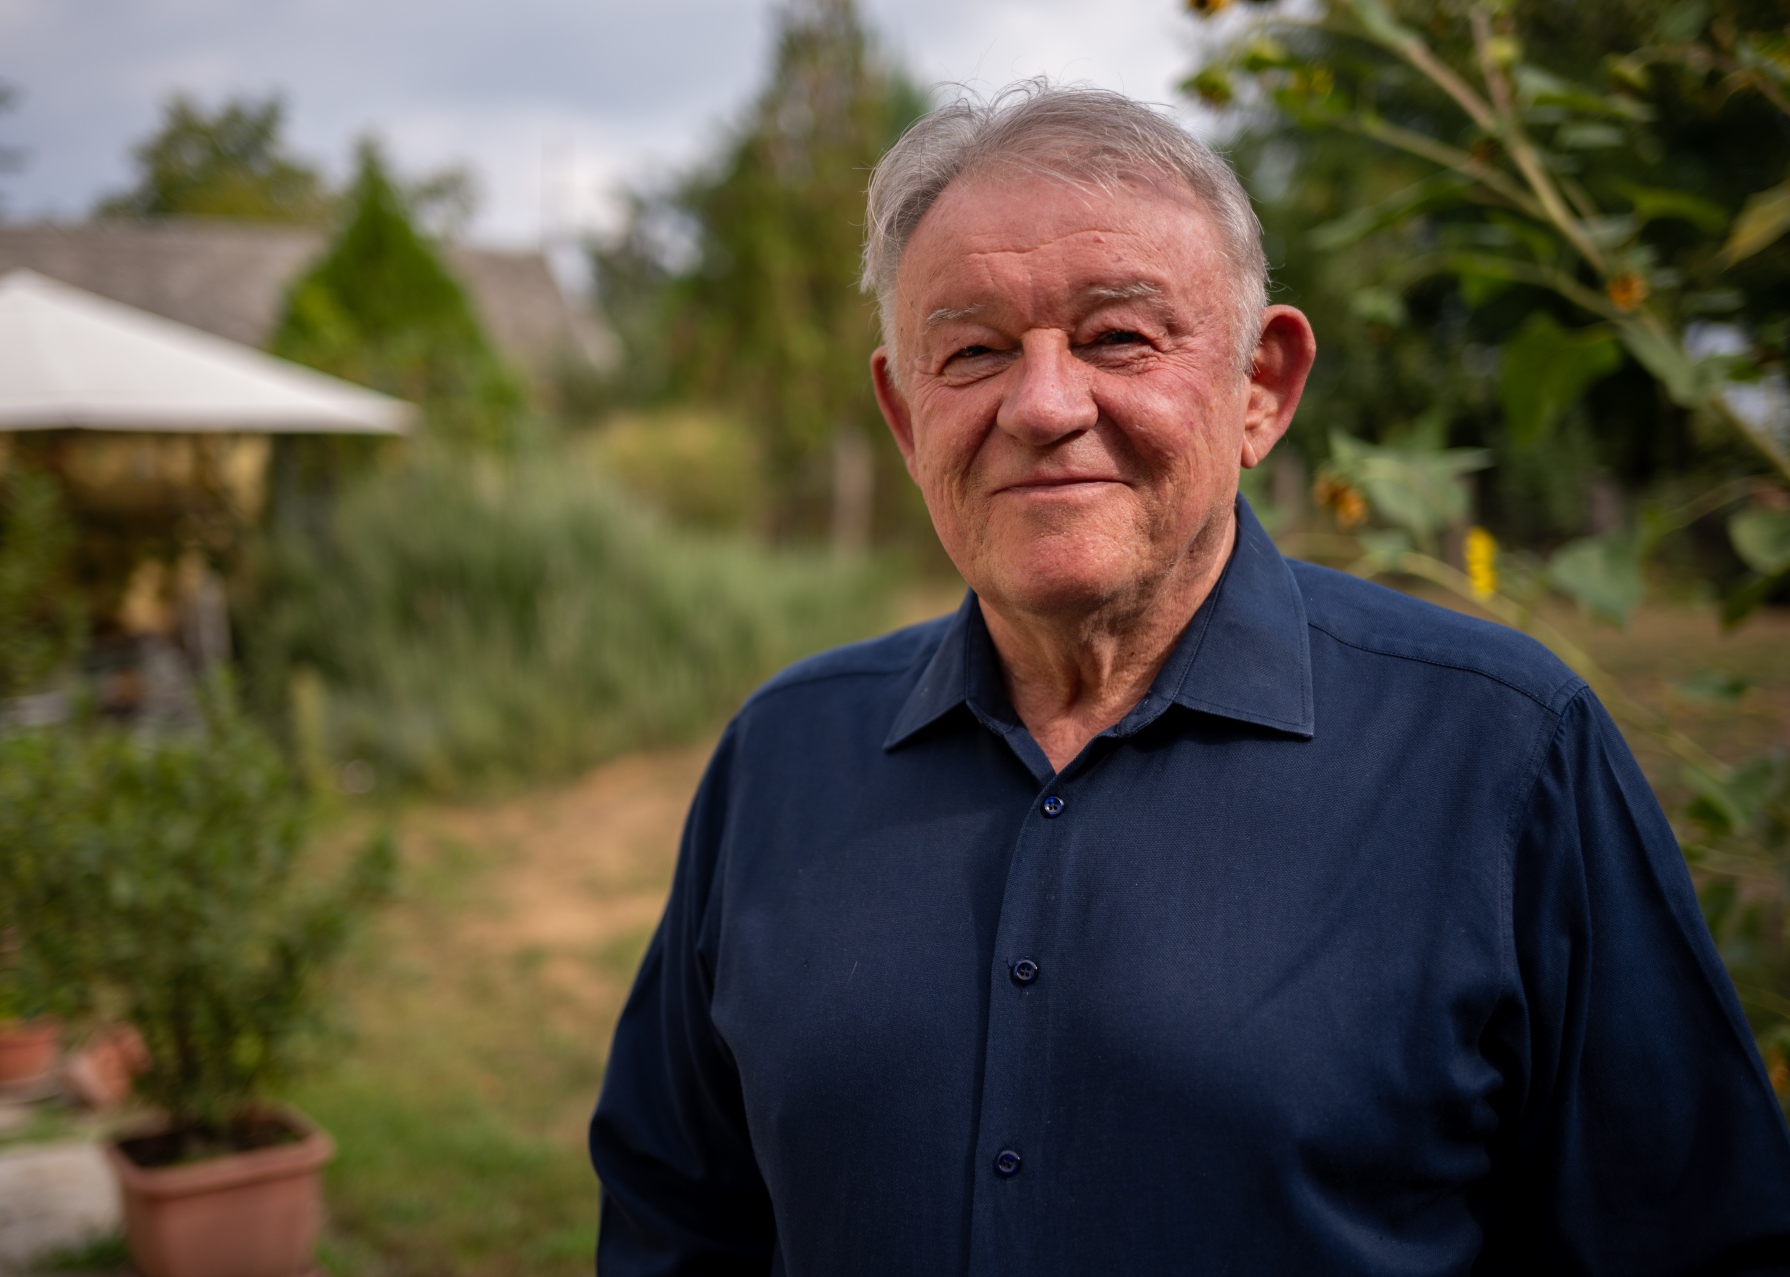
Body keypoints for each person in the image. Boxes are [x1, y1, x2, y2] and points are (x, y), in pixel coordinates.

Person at [589, 83, 1790, 1275]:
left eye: (1118, 337)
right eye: (973, 352)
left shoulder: (1502, 751)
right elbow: (675, 1225)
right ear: (907, 420)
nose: (1043, 404)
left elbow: (1690, 1244)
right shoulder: (783, 755)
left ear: (1262, 386)